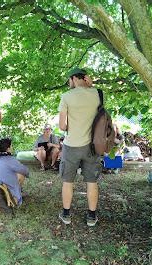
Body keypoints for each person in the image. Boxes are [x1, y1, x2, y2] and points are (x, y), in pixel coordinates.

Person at [58, 67, 102, 227]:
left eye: (69, 80)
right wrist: (90, 85)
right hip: (92, 146)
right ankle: (91, 216)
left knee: (68, 181)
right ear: (85, 78)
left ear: (73, 79)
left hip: (72, 146)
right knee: (92, 182)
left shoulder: (66, 97)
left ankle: (66, 214)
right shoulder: (98, 94)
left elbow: (62, 126)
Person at [0, 138, 29, 206]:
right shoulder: (10, 160)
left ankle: (2, 198)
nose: (12, 147)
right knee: (21, 174)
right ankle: (15, 195)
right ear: (8, 149)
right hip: (5, 194)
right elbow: (25, 171)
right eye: (11, 146)